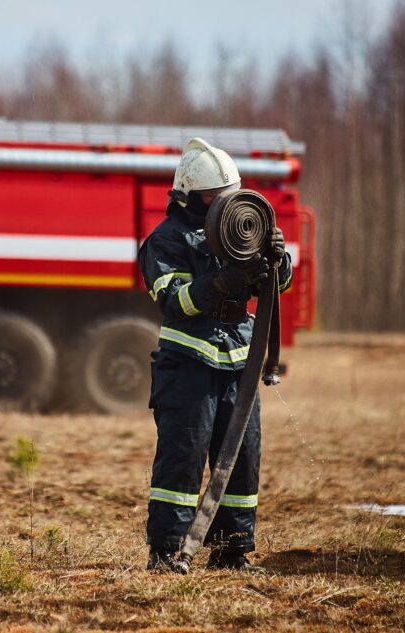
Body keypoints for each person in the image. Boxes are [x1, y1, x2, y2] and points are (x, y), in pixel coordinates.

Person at [138, 138, 292, 574]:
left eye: (229, 194)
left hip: (238, 364)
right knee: (182, 458)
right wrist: (224, 282)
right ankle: (166, 552)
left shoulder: (240, 227)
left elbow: (278, 286)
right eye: (214, 196)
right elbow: (175, 302)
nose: (225, 204)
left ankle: (231, 552)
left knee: (242, 459)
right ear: (188, 195)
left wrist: (277, 261)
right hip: (188, 367)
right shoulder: (165, 241)